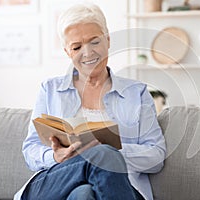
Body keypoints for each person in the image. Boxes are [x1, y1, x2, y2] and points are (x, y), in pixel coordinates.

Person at [14, 3, 166, 200]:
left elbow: (156, 156)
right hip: (56, 183)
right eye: (77, 47)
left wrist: (109, 153)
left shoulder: (136, 93)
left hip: (118, 186)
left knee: (84, 193)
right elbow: (30, 149)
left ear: (108, 40)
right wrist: (55, 156)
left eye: (94, 42)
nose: (88, 53)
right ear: (68, 51)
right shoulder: (50, 89)